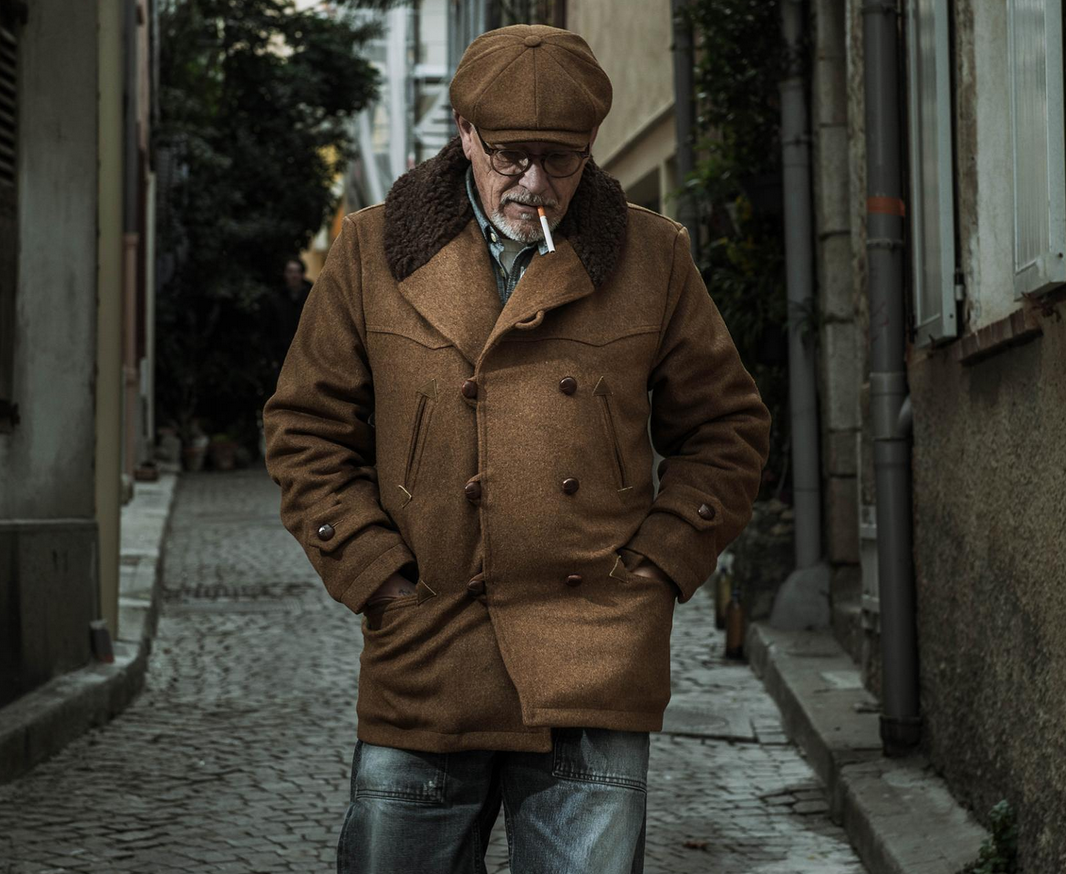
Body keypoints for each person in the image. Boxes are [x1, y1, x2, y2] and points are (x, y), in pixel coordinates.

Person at [261, 23, 771, 874]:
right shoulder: (369, 251)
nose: (534, 183)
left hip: (594, 657)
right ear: (464, 133)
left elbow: (726, 429)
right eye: (508, 155)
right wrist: (377, 581)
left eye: (561, 160)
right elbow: (306, 429)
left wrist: (654, 570)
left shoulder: (653, 256)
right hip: (425, 653)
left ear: (592, 149)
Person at [269, 256, 313, 368]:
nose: (294, 276)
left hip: (308, 357)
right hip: (282, 357)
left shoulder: (313, 297)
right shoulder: (276, 299)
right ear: (285, 274)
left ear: (302, 274)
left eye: (297, 272)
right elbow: (270, 330)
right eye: (290, 272)